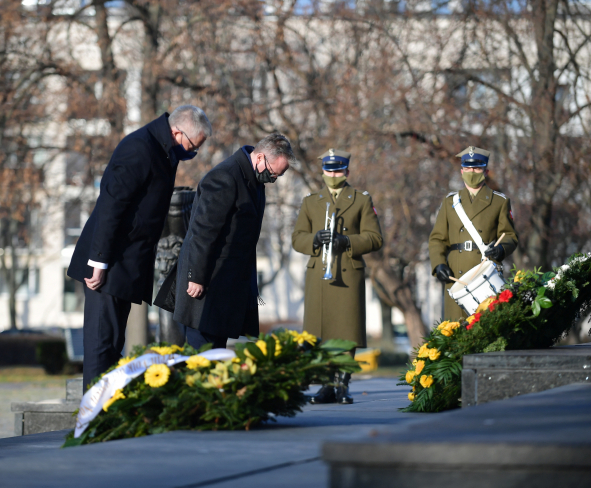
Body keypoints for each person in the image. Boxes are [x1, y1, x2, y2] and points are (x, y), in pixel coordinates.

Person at [67, 105, 212, 392]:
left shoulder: (162, 148)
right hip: (108, 263)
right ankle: (92, 420)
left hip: (125, 263)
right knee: (101, 343)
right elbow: (112, 204)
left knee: (113, 344)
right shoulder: (139, 148)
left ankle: (106, 411)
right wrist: (99, 262)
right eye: (193, 145)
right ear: (176, 132)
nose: (193, 153)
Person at [173, 133, 295, 349]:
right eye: (272, 173)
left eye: (277, 176)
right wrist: (196, 276)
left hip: (226, 287)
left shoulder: (254, 179)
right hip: (205, 284)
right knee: (201, 356)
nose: (273, 179)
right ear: (260, 158)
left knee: (216, 355)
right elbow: (204, 232)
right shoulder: (225, 177)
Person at [291, 149, 383, 404]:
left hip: (347, 272)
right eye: (329, 170)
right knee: (321, 330)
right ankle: (326, 386)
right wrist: (314, 239)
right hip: (319, 273)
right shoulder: (311, 201)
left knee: (346, 329)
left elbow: (375, 238)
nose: (333, 174)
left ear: (347, 172)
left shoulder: (362, 199)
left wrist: (347, 241)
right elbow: (297, 238)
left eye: (338, 170)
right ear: (322, 172)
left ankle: (342, 384)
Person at [428, 146, 518, 322]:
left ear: (486, 171)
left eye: (477, 168)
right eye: (467, 168)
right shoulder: (449, 202)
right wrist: (438, 264)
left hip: (485, 275)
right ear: (461, 171)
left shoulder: (499, 201)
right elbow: (437, 239)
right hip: (455, 278)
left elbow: (510, 235)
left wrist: (500, 250)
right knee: (455, 334)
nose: (472, 172)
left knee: (487, 331)